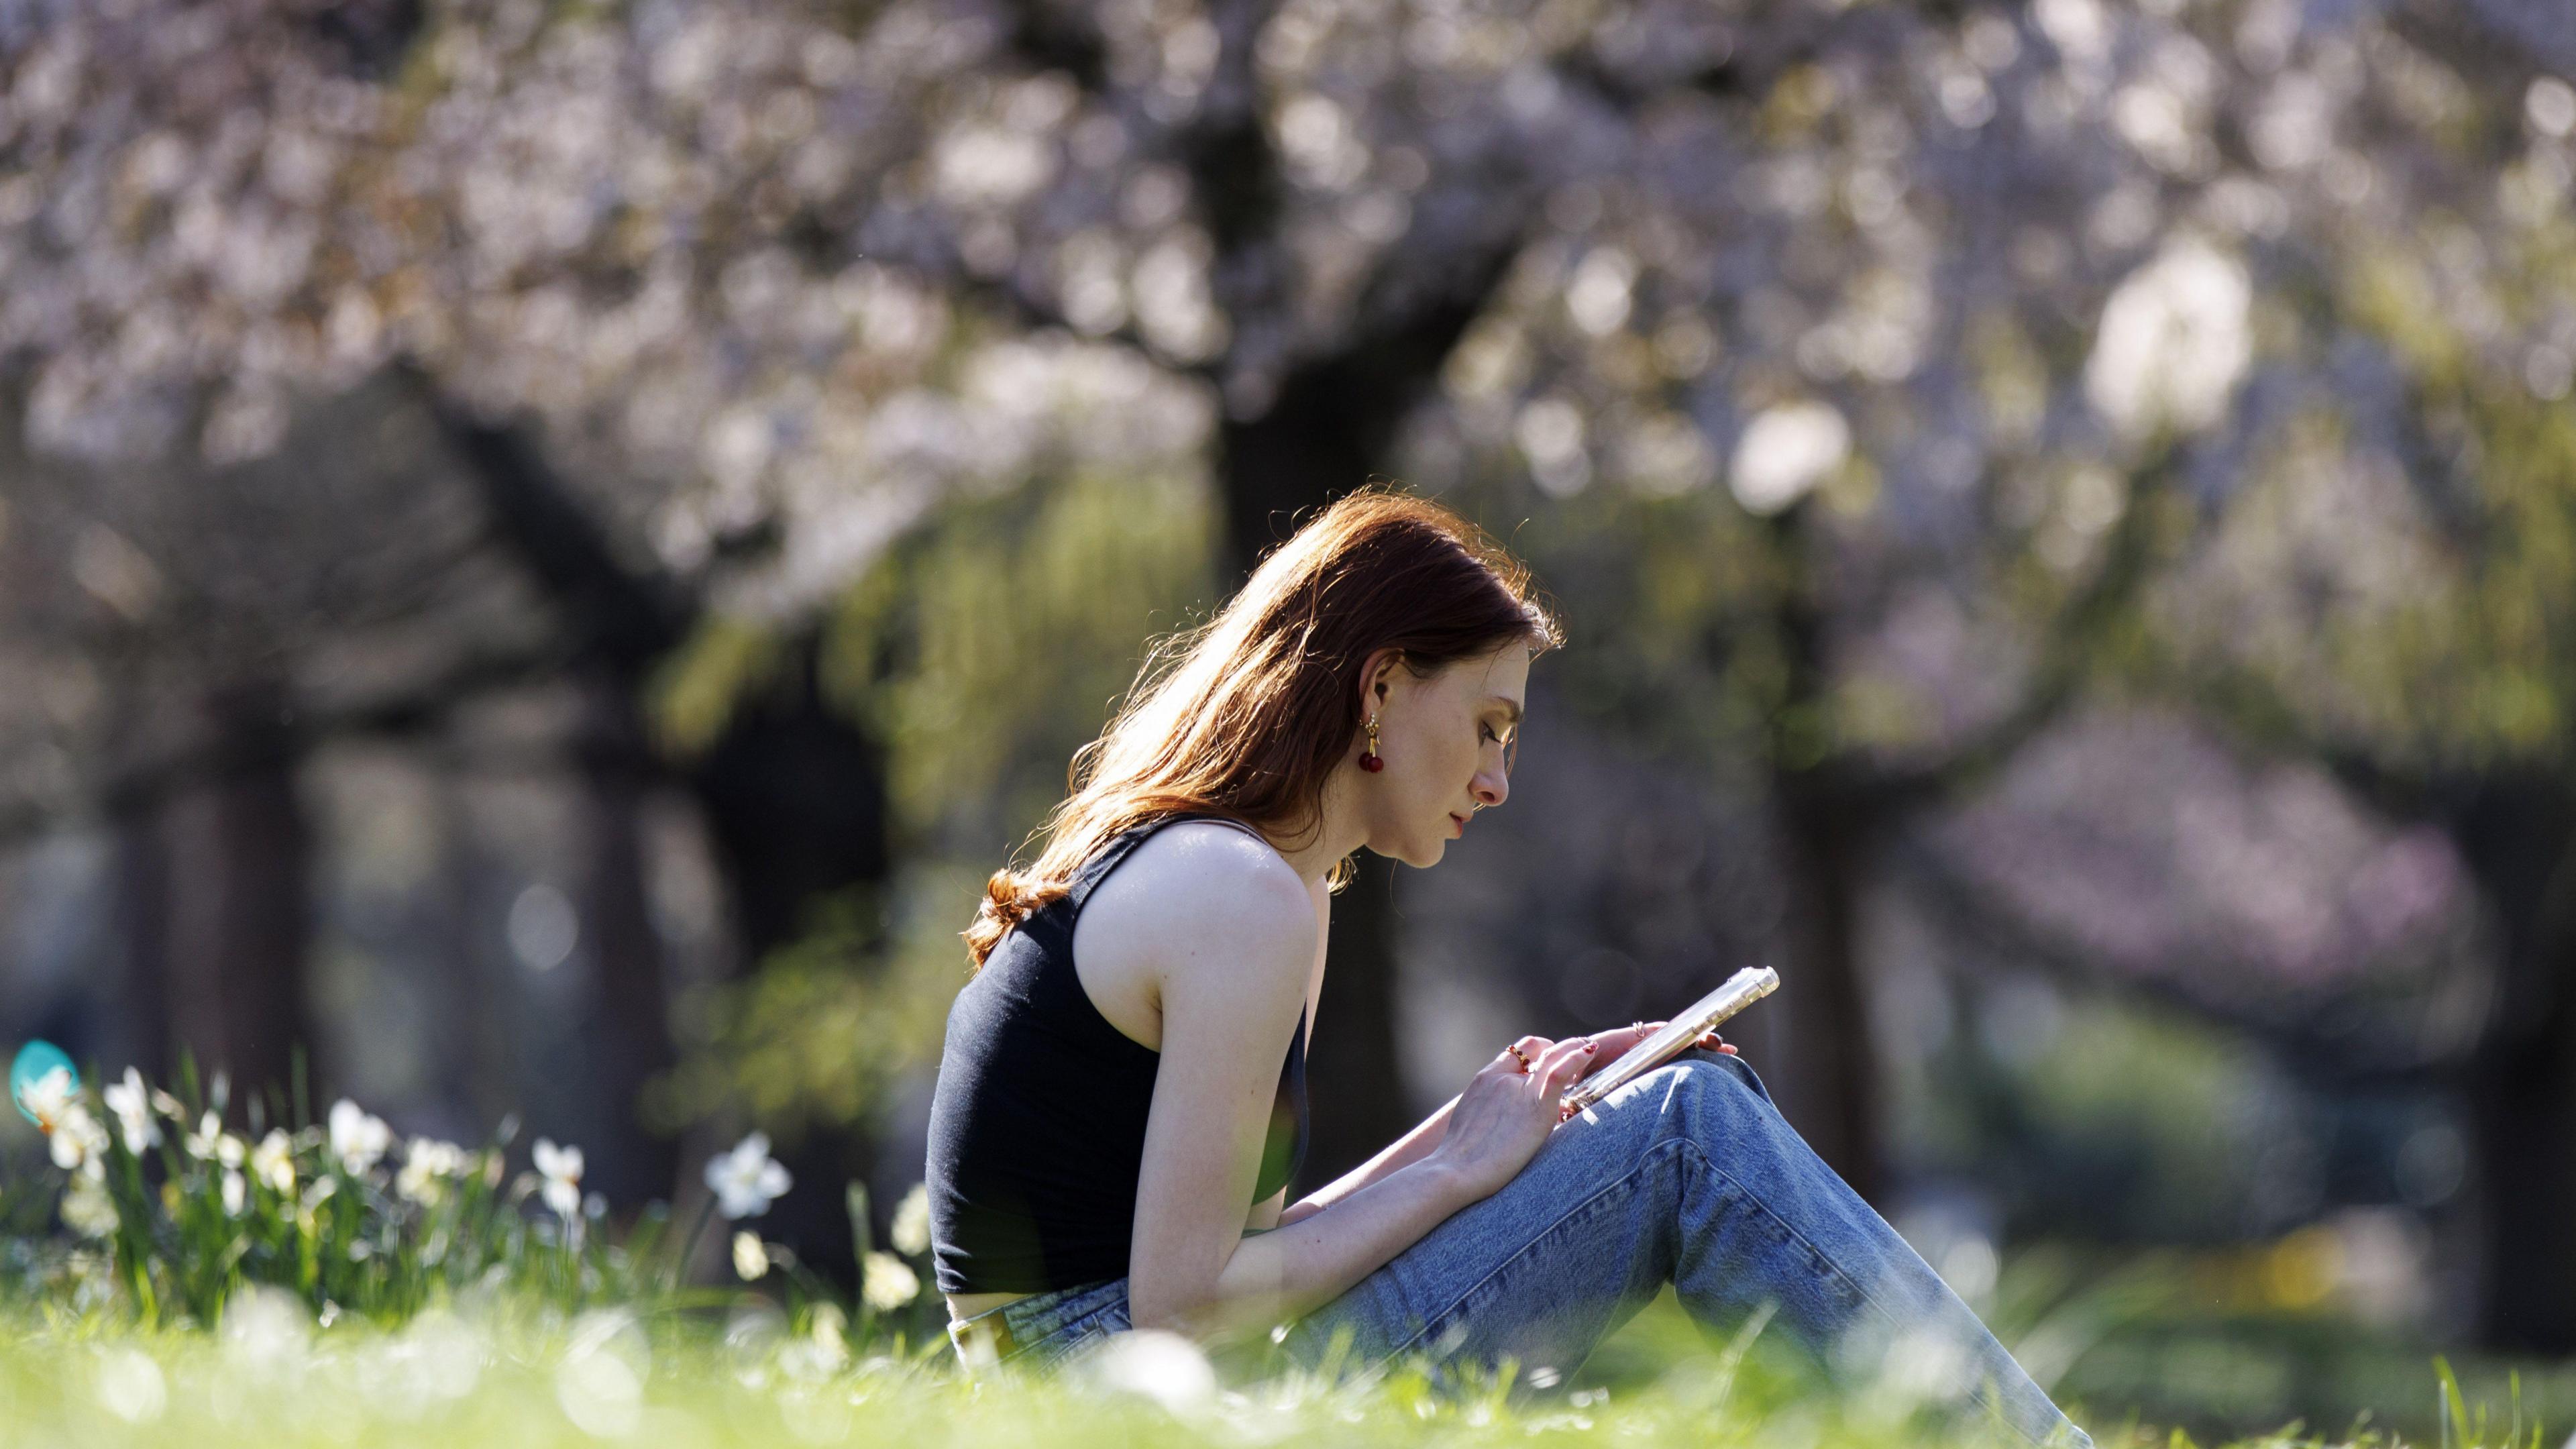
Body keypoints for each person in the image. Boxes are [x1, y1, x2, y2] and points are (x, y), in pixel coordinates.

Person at [924, 490, 2089, 1446]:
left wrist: (1483, 1134)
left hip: (1101, 1394)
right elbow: (1184, 1310)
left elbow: (1233, 1267)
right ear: (1379, 688)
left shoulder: (1240, 879)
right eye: (1486, 726)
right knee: (1688, 1131)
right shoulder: (1244, 897)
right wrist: (1453, 1178)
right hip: (1125, 1411)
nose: (1497, 780)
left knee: (1657, 1108)